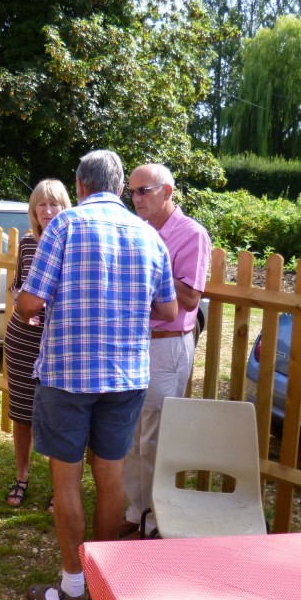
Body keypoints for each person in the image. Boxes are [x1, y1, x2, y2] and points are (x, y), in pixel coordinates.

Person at [15, 150, 177, 600]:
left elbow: (29, 302)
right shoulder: (149, 235)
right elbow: (168, 311)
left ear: (80, 185)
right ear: (119, 185)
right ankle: (104, 584)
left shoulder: (64, 227)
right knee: (110, 478)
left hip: (68, 373)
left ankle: (72, 588)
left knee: (65, 478)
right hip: (126, 375)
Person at [122, 163, 212, 537]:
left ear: (168, 192)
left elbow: (191, 298)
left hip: (165, 345)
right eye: (132, 191)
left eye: (145, 190)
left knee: (155, 438)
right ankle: (135, 512)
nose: (136, 198)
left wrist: (151, 268)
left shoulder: (191, 234)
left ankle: (157, 522)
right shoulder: (137, 230)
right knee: (129, 435)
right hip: (133, 343)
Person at [3, 179, 72, 508]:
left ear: (64, 207)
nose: (47, 211)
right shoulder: (29, 243)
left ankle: (61, 490)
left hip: (57, 343)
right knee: (22, 414)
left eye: (53, 204)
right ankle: (22, 476)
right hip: (22, 339)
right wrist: (22, 303)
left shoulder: (74, 243)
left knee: (59, 417)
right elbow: (16, 287)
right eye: (40, 205)